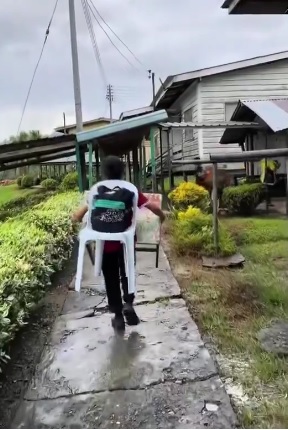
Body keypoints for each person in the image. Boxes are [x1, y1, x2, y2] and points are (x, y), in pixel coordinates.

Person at [72, 155, 165, 332]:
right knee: (127, 274)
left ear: (103, 173)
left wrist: (76, 218)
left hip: (105, 245)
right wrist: (162, 216)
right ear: (123, 172)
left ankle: (117, 315)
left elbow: (79, 215)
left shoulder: (97, 190)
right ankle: (128, 303)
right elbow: (151, 206)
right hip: (125, 243)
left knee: (111, 278)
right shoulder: (130, 189)